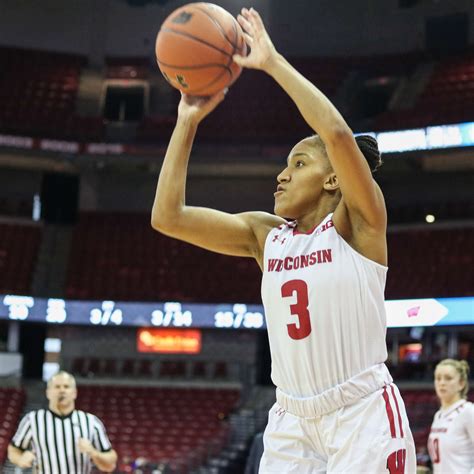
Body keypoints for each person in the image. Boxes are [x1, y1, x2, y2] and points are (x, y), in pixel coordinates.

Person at [151, 7, 415, 473]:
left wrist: (272, 63)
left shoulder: (359, 223)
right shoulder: (265, 235)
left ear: (334, 178)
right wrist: (187, 121)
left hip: (361, 414)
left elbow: (335, 133)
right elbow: (167, 217)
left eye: (298, 164)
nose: (282, 175)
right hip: (291, 420)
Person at [8, 371, 117, 473]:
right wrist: (20, 459)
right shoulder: (32, 420)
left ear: (74, 393)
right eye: (57, 387)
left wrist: (93, 452)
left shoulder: (91, 422)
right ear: (48, 393)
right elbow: (13, 450)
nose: (62, 390)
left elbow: (110, 462)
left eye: (66, 386)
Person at [427, 359, 473, 473]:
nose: (442, 383)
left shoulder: (468, 411)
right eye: (438, 378)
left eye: (448, 378)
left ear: (461, 383)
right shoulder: (438, 415)